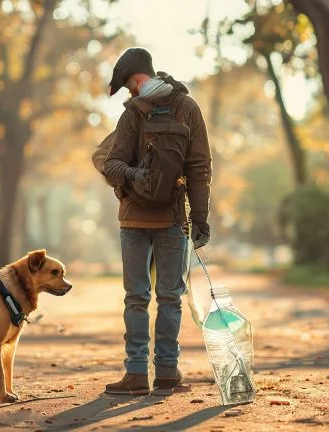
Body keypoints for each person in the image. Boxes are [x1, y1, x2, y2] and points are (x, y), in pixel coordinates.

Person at [100, 47, 212, 395]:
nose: (130, 93)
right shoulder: (188, 108)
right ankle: (167, 371)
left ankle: (135, 375)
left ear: (135, 80)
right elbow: (200, 168)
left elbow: (111, 165)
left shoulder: (133, 112)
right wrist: (201, 219)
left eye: (128, 87)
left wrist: (134, 177)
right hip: (174, 220)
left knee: (136, 298)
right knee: (170, 297)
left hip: (133, 221)